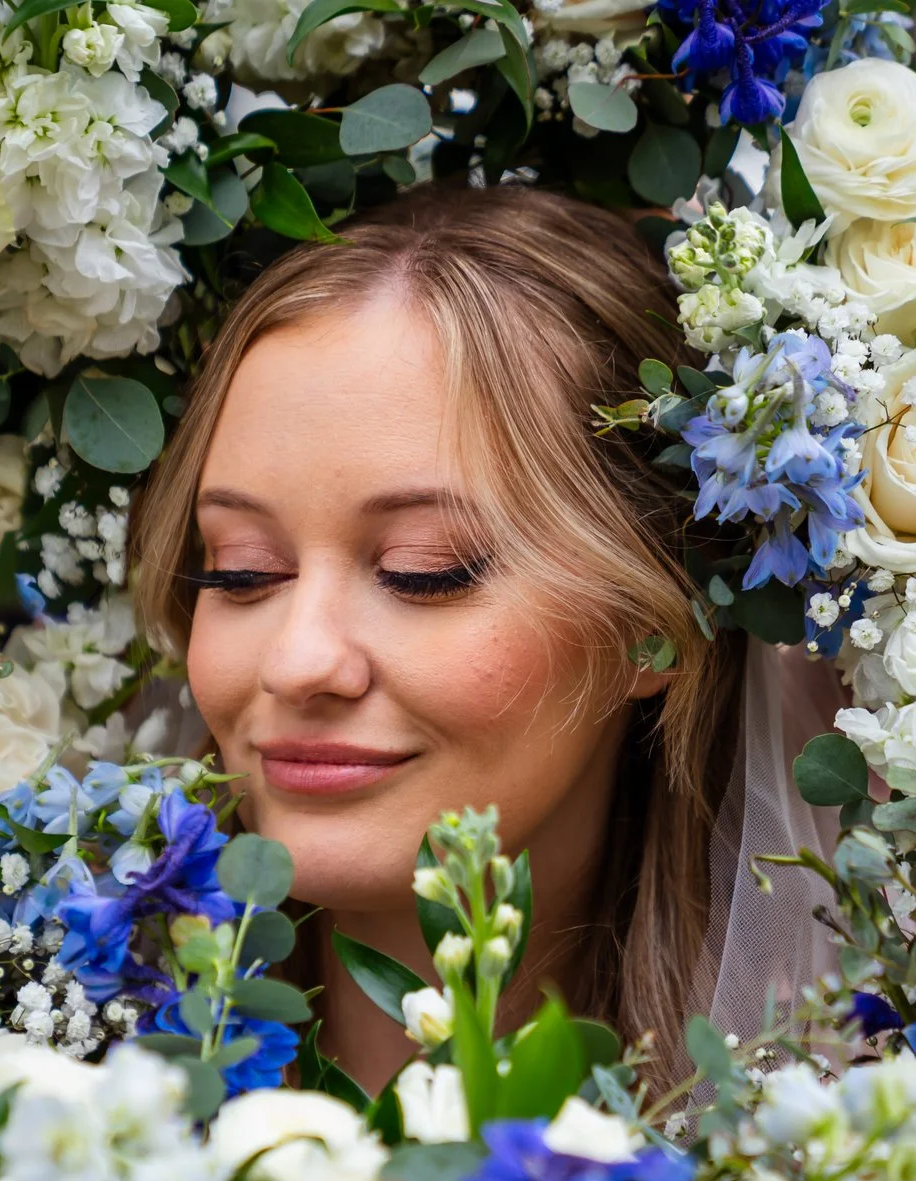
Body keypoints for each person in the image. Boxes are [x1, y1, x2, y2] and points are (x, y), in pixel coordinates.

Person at [129, 183, 843, 1092]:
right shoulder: (47, 1067)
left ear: (652, 630)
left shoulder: (811, 1155)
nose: (299, 659)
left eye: (424, 570)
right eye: (241, 569)